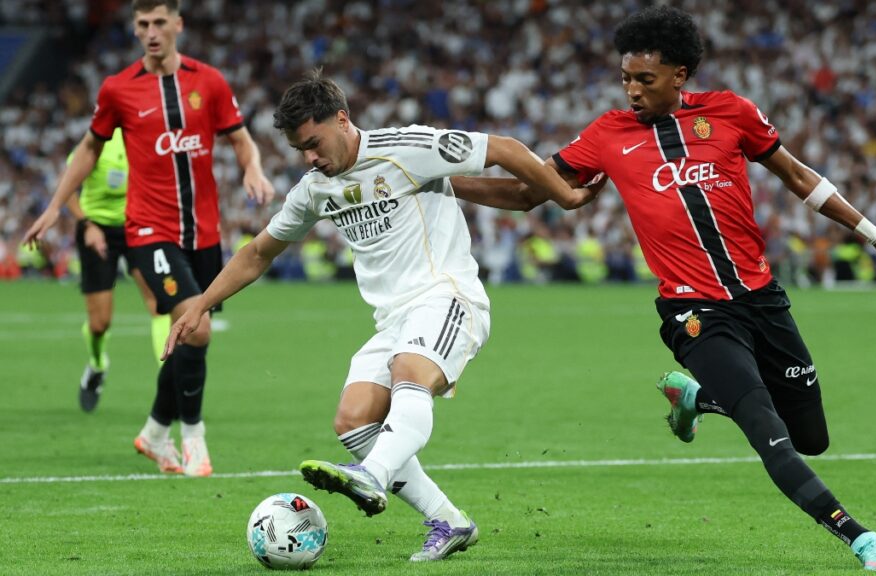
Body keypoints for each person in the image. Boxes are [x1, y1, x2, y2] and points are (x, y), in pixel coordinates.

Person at [457, 6, 876, 573]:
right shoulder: (607, 135)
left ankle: (695, 397)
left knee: (811, 436)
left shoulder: (731, 113)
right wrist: (436, 181)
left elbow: (801, 178)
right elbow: (528, 193)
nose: (631, 90)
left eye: (644, 80)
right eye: (625, 78)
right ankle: (857, 536)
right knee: (764, 427)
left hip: (761, 298)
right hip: (693, 309)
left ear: (679, 75)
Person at [162, 69, 593, 561]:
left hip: (447, 296)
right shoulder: (314, 189)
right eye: (300, 149)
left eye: (314, 143)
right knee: (353, 422)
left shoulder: (406, 146)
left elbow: (506, 149)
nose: (309, 157)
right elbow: (259, 252)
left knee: (409, 375)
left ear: (342, 120)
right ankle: (449, 521)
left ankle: (372, 476)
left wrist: (565, 196)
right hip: (393, 320)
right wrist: (201, 302)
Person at [23, 0, 274, 476]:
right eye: (143, 25)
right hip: (148, 231)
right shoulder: (119, 89)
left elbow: (241, 138)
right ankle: (193, 437)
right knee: (196, 326)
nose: (152, 32)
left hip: (203, 233)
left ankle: (155, 432)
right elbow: (89, 149)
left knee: (191, 335)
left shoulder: (210, 82)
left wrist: (254, 170)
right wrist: (56, 206)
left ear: (178, 24)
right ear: (136, 30)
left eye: (160, 22)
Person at [57, 128, 172, 412]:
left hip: (136, 227)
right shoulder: (95, 141)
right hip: (96, 230)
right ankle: (97, 365)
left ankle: (168, 383)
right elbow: (68, 187)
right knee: (100, 324)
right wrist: (86, 225)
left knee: (159, 304)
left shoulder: (145, 137)